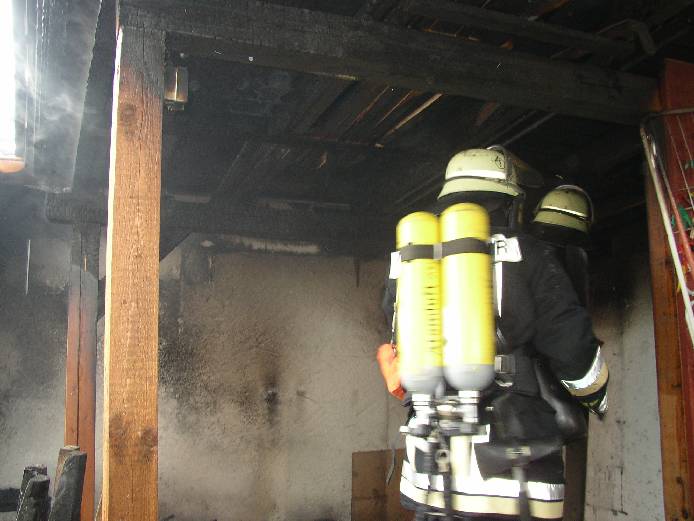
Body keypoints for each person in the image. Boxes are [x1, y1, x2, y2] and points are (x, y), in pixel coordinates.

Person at [381, 147, 608, 520]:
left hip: (430, 468)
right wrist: (596, 395)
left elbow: (394, 325)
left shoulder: (409, 258)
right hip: (510, 475)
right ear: (508, 202)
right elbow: (572, 349)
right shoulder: (527, 253)